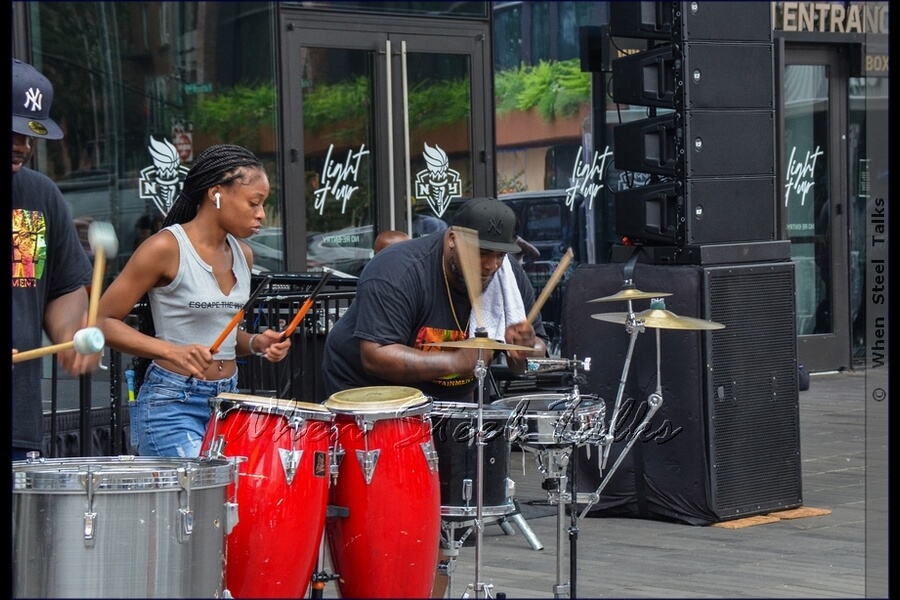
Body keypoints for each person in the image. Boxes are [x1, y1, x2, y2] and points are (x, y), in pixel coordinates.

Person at [322, 197, 548, 597]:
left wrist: (528, 350)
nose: (493, 266)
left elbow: (528, 362)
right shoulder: (397, 270)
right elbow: (374, 354)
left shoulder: (507, 278)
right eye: (483, 255)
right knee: (384, 515)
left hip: (446, 404)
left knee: (444, 520)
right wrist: (455, 362)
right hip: (369, 397)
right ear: (452, 241)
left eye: (500, 255)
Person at [97, 143, 291, 458]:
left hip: (227, 401)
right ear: (216, 193)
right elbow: (101, 322)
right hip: (172, 404)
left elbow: (219, 336)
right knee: (198, 501)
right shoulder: (165, 247)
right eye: (254, 203)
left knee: (224, 503)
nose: (261, 214)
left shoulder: (243, 253)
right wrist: (171, 351)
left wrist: (257, 342)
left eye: (263, 204)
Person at [12, 59, 103, 461]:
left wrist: (74, 333)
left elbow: (59, 288)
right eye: (13, 131)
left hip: (19, 420)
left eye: (31, 136)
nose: (22, 145)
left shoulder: (39, 197)